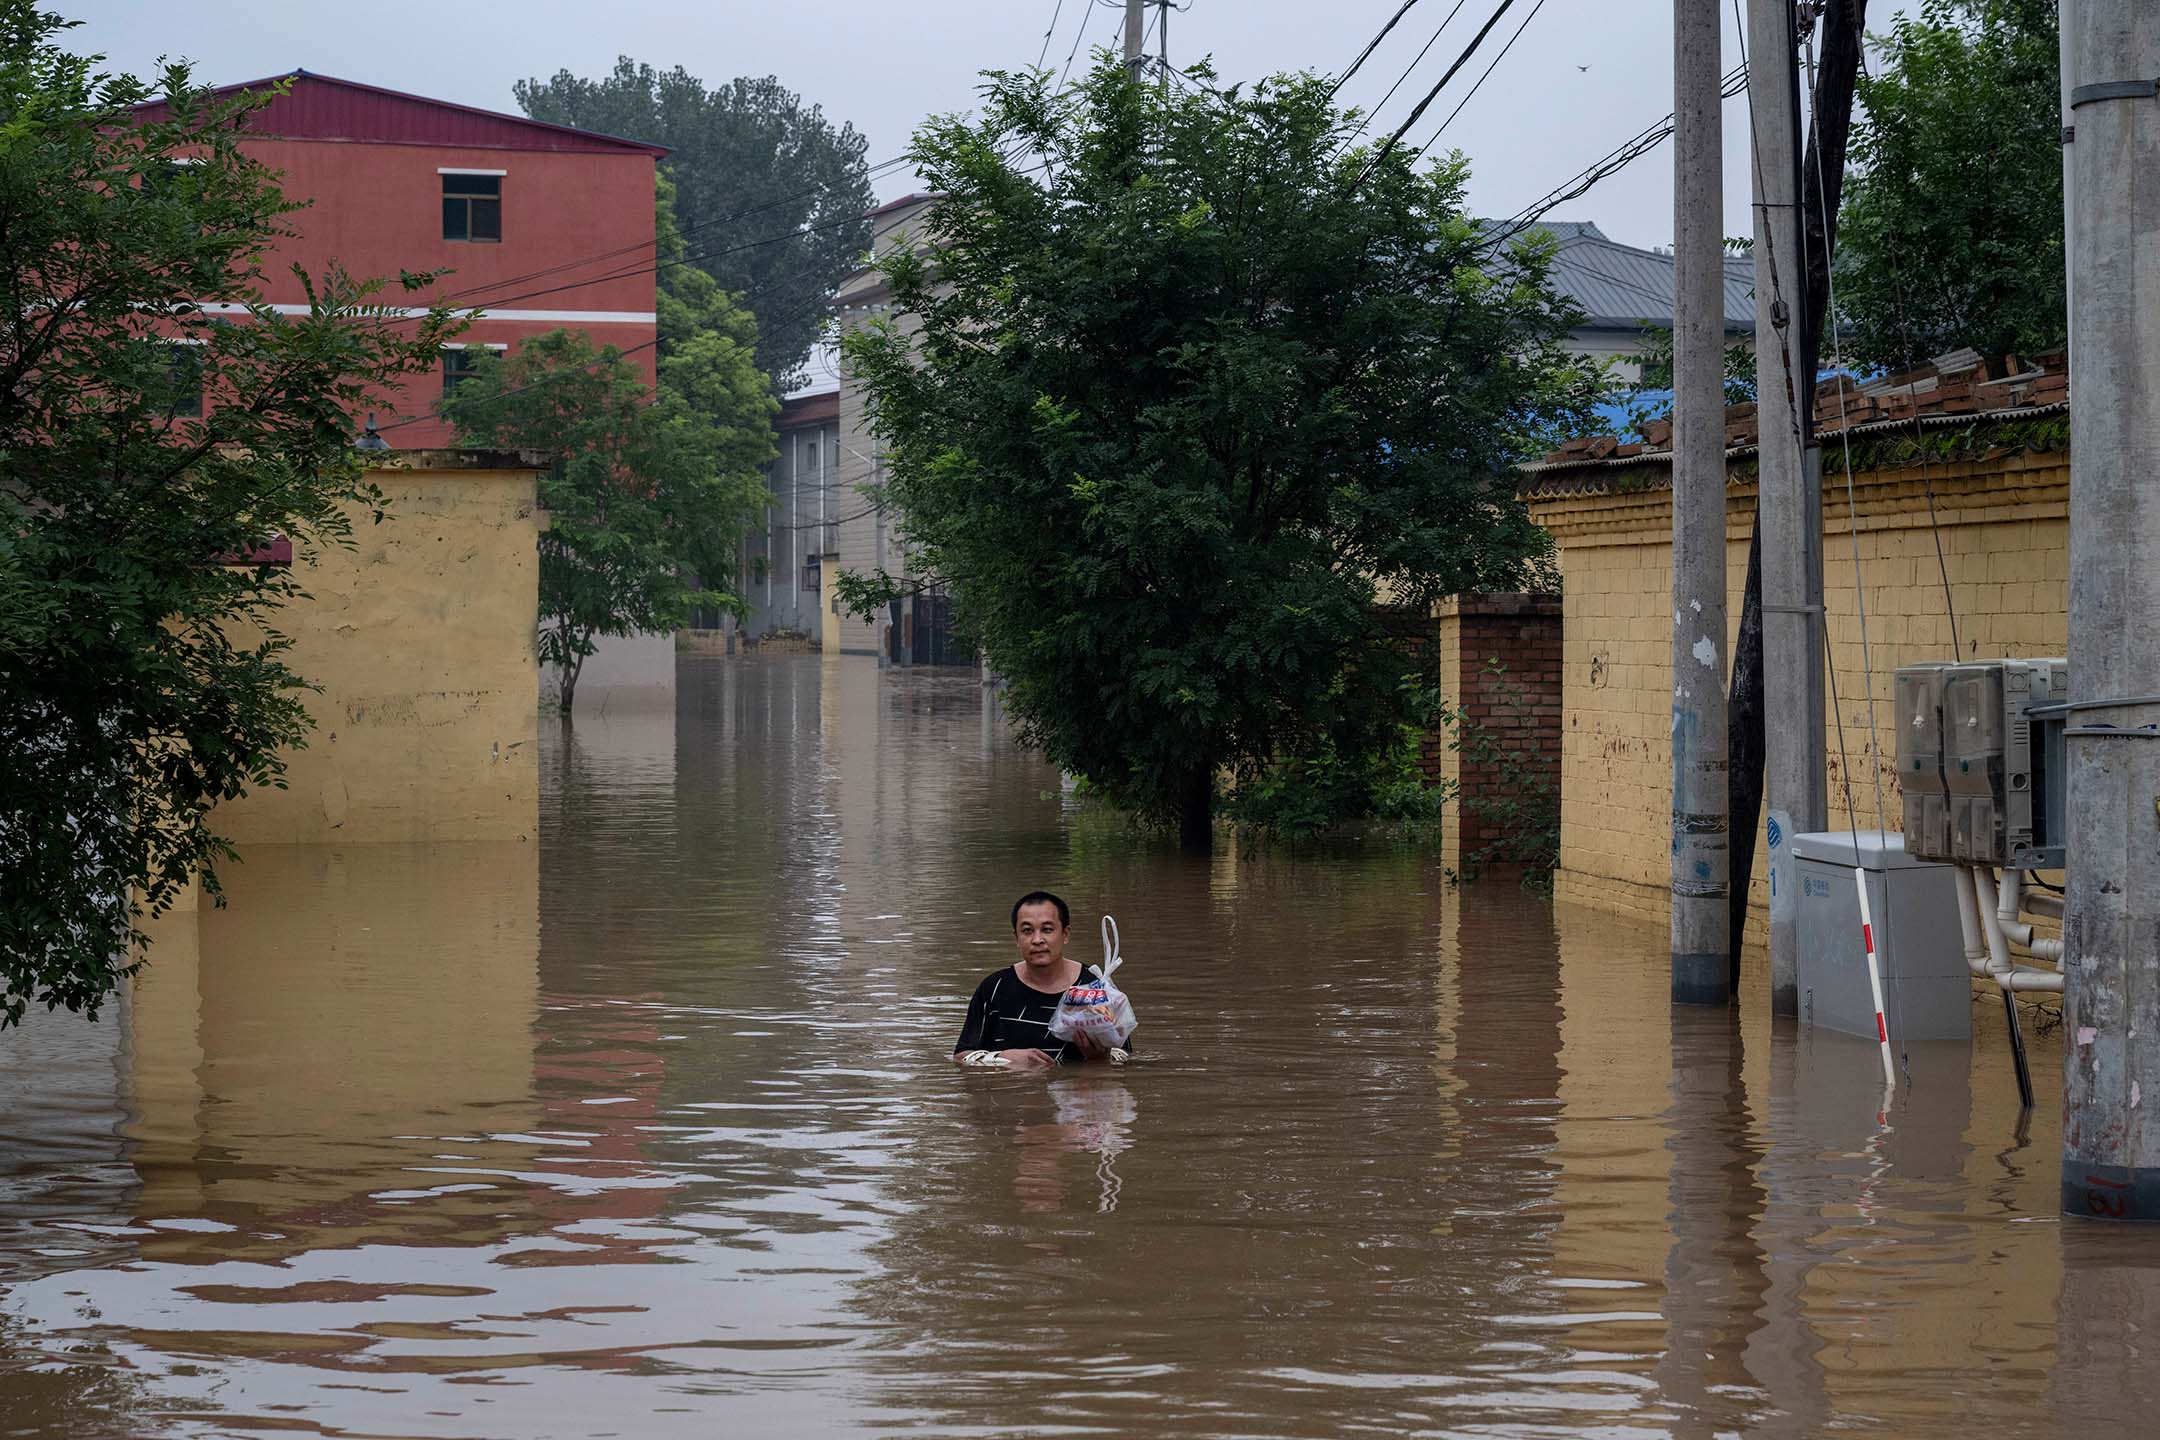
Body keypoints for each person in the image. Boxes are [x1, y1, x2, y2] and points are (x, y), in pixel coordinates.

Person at [953, 890, 1121, 1069]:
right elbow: (961, 1057)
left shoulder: (1095, 985)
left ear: (1065, 935)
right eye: (1027, 931)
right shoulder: (994, 988)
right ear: (1016, 938)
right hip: (1013, 1094)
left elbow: (1125, 1057)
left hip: (1080, 1093)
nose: (1037, 940)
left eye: (1047, 930)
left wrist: (1101, 1058)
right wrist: (1001, 1059)